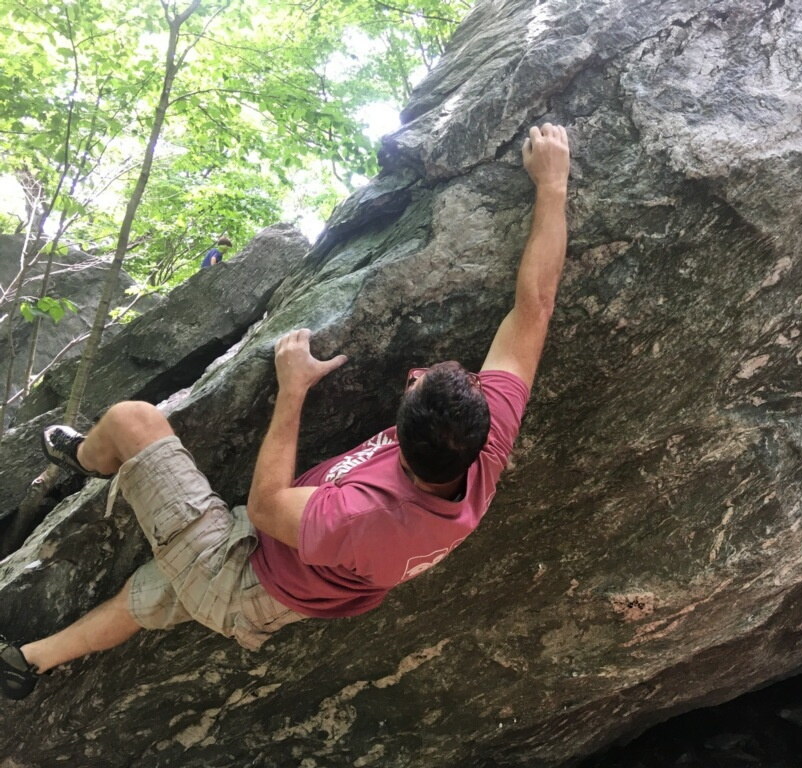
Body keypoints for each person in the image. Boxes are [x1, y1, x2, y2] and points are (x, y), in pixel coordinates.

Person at [0, 123, 571, 700]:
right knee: (151, 595)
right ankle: (25, 664)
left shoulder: (363, 517)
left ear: (399, 432)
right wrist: (552, 185)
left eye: (416, 384)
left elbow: (268, 509)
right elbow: (537, 305)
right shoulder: (482, 440)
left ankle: (88, 460)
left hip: (244, 572)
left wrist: (292, 387)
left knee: (130, 420)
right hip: (281, 593)